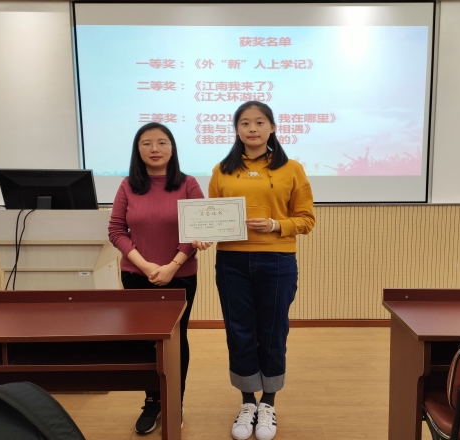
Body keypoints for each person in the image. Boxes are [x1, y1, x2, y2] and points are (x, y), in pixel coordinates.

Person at [208, 101, 315, 440]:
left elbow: (306, 220)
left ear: (272, 128)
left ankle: (268, 402)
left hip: (277, 260)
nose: (252, 129)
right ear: (236, 129)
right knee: (239, 331)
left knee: (272, 331)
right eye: (244, 123)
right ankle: (246, 401)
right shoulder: (222, 170)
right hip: (232, 261)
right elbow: (211, 217)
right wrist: (202, 234)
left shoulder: (292, 169)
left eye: (259, 122)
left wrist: (275, 225)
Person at [108, 122, 210, 435]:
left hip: (181, 275)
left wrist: (171, 267)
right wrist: (146, 265)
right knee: (145, 341)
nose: (155, 149)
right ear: (137, 149)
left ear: (172, 147)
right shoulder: (128, 185)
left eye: (162, 142)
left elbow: (198, 229)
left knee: (176, 339)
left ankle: (174, 401)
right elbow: (116, 230)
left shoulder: (188, 184)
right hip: (136, 275)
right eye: (147, 143)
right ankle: (152, 401)